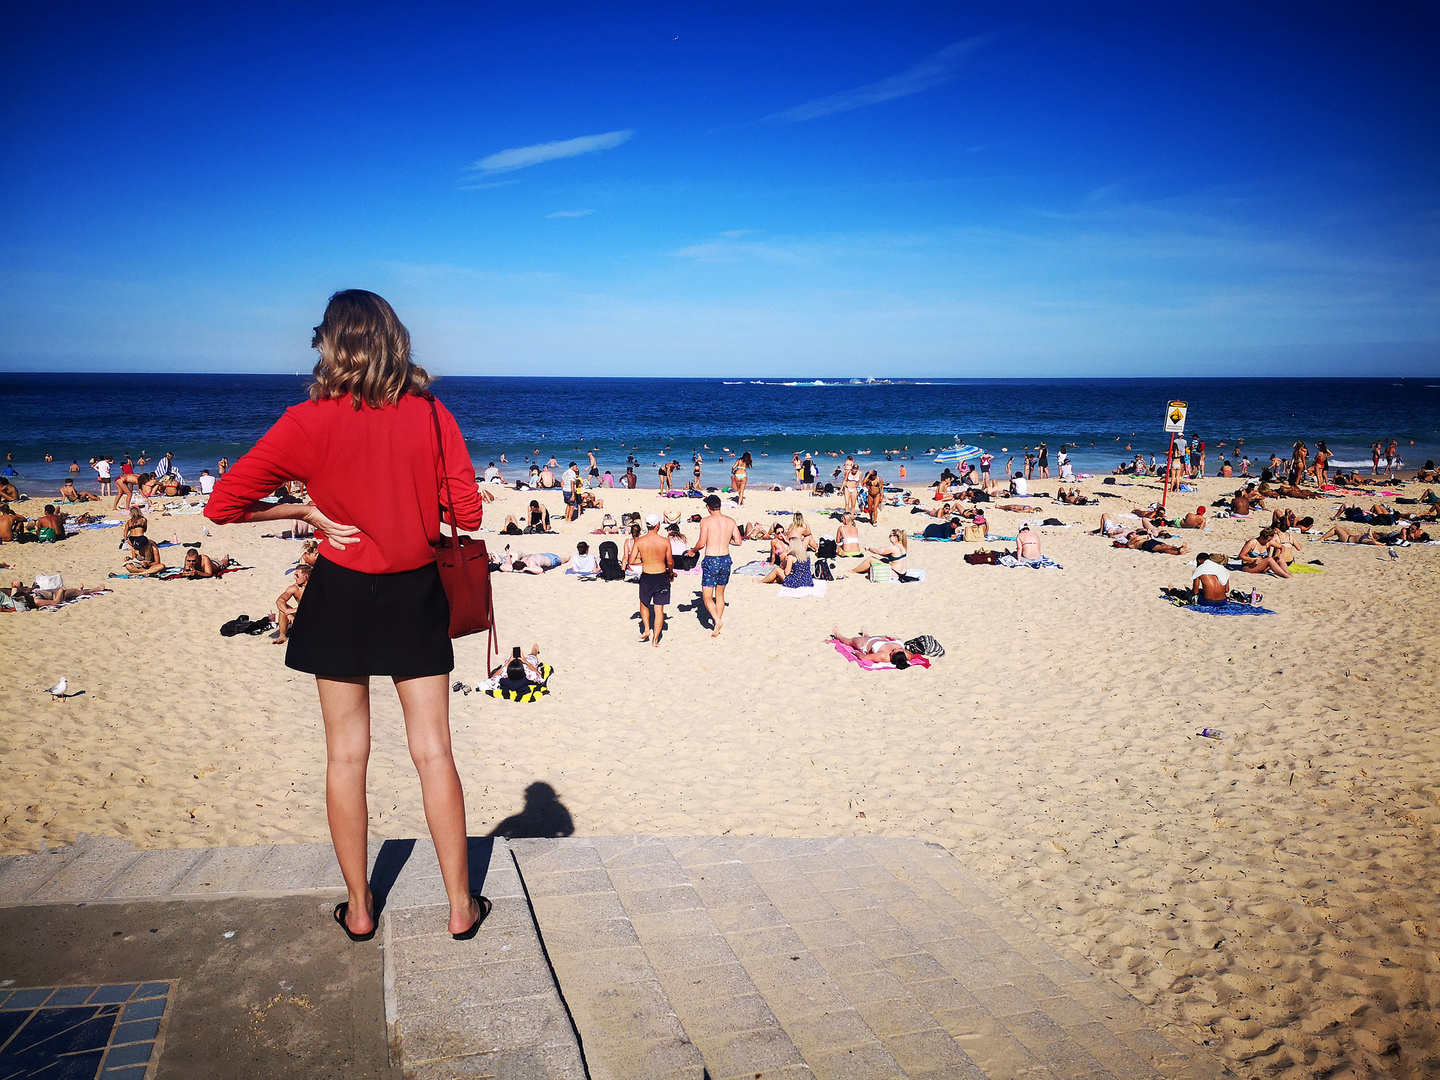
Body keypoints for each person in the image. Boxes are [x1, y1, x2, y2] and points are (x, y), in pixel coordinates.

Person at [203, 289, 487, 942]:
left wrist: (305, 510)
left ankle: (360, 909)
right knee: (434, 752)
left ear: (329, 344)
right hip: (416, 590)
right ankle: (460, 907)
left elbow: (222, 504)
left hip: (341, 592)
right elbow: (467, 517)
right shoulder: (431, 413)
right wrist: (412, 498)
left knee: (345, 757)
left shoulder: (306, 422)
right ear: (395, 339)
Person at [688, 494, 742, 636]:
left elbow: (701, 543)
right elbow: (738, 541)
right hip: (725, 559)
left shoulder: (705, 521)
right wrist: (726, 540)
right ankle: (717, 623)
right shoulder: (730, 521)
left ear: (708, 507)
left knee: (707, 596)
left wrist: (692, 551)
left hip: (712, 560)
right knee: (720, 594)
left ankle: (717, 621)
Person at [631, 513, 673, 647]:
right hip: (661, 575)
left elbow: (631, 561)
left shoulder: (640, 541)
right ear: (658, 526)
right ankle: (655, 639)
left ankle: (646, 628)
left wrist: (644, 561)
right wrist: (671, 573)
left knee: (644, 603)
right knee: (659, 609)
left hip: (647, 575)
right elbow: (670, 562)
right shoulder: (665, 541)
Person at [828, 627, 913, 668]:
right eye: (898, 649)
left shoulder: (882, 656)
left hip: (866, 644)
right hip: (880, 640)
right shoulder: (906, 655)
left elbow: (864, 657)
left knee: (851, 641)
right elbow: (912, 655)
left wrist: (857, 653)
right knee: (876, 637)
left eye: (893, 651)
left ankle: (838, 636)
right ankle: (866, 635)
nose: (895, 649)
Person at [273, 565, 310, 642]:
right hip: (300, 614)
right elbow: (280, 601)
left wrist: (293, 611)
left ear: (306, 576)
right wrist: (288, 613)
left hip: (312, 616)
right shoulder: (294, 588)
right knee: (283, 608)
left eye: (297, 576)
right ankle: (282, 635)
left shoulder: (315, 588)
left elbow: (314, 606)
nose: (294, 578)